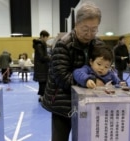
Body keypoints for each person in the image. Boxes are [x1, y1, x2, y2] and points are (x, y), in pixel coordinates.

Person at [41, 2, 104, 141]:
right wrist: (88, 81)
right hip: (62, 103)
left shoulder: (99, 44)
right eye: (85, 29)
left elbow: (106, 67)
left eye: (94, 30)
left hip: (88, 103)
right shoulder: (63, 44)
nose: (89, 34)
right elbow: (61, 76)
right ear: (76, 24)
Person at [33, 30, 51, 102]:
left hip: (41, 67)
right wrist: (51, 57)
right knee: (43, 83)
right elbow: (42, 57)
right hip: (41, 67)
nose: (47, 39)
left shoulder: (40, 44)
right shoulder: (40, 45)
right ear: (42, 36)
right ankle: (42, 97)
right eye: (46, 38)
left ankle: (42, 97)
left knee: (42, 83)